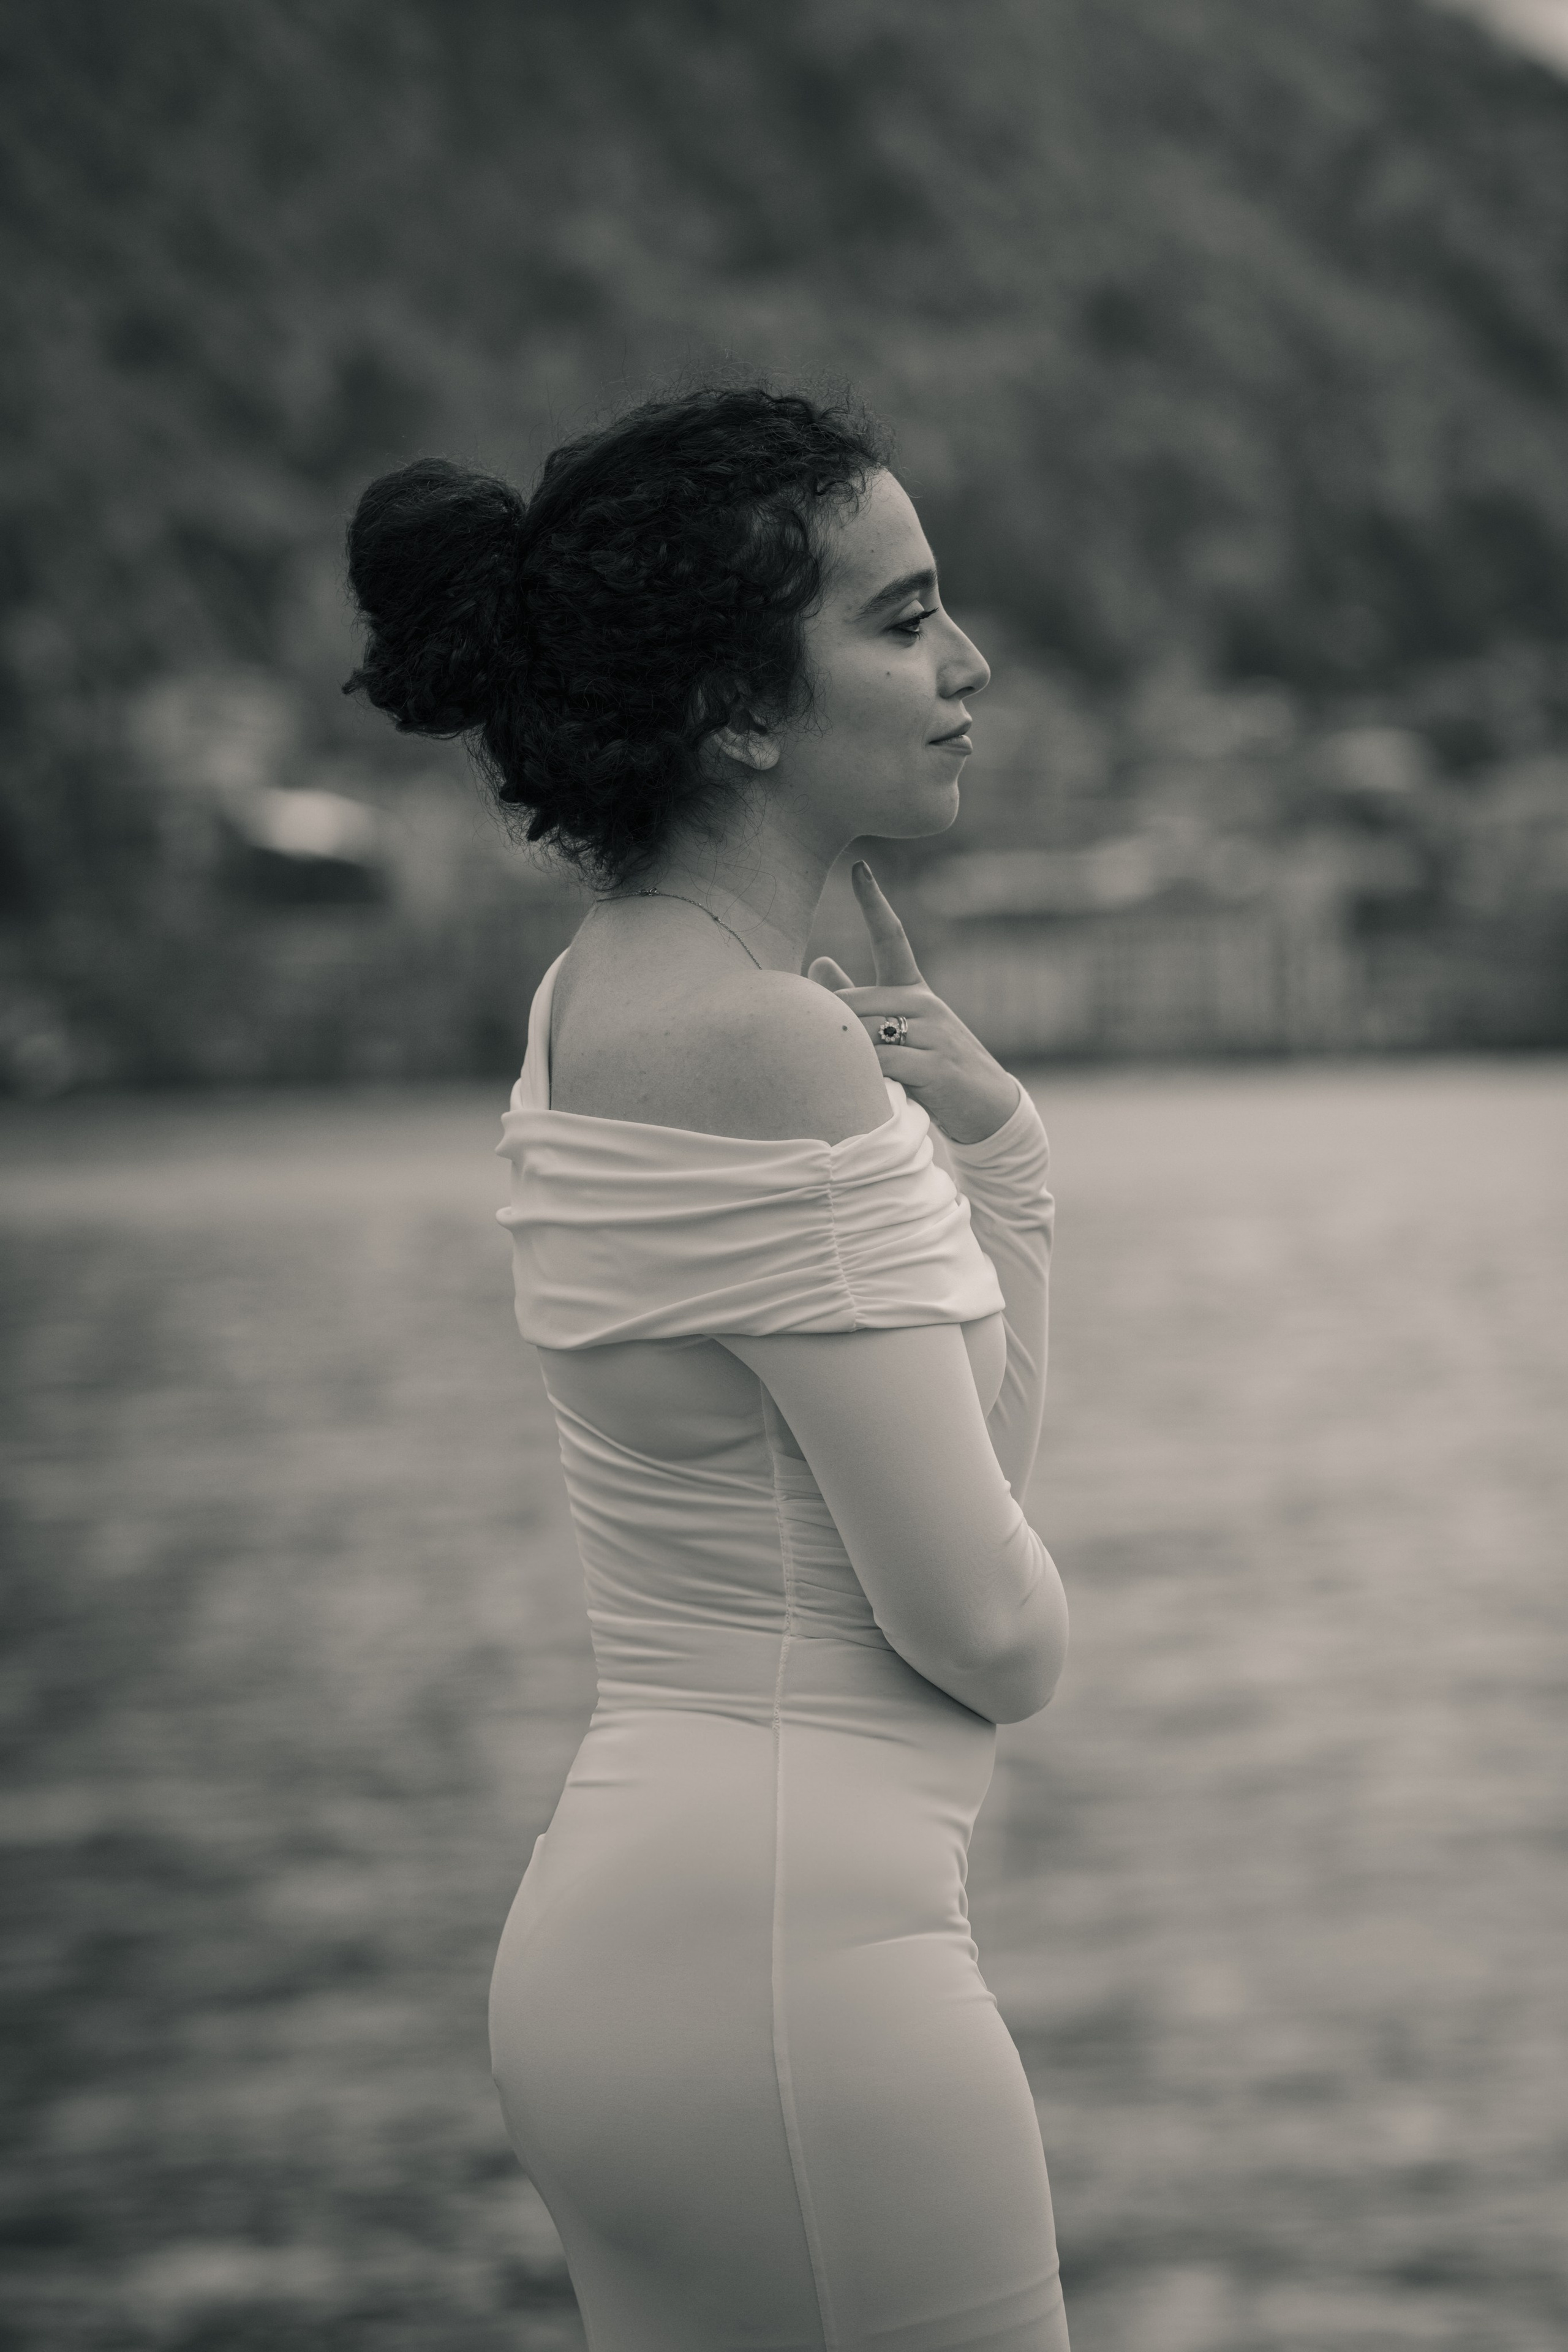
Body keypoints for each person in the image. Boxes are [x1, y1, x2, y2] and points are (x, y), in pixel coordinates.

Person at [344, 386, 1071, 2352]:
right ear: (746, 711)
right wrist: (1042, 1582)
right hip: (794, 1983)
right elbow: (990, 1629)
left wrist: (996, 1160)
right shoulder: (766, 1049)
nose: (968, 662)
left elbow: (913, 1508)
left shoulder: (603, 990)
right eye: (905, 619)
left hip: (649, 1950)